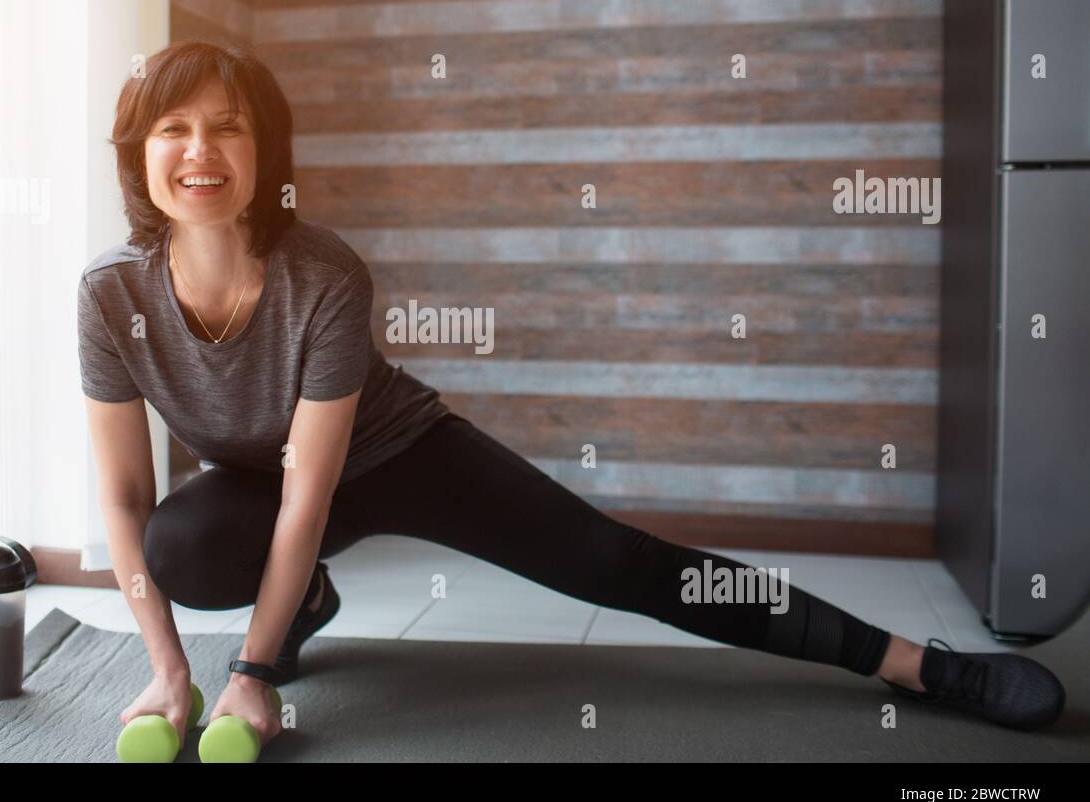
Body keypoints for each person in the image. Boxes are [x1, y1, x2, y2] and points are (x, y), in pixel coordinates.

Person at [79, 40, 1066, 754]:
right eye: (172, 128)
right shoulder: (109, 294)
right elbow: (124, 501)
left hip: (393, 454)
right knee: (179, 542)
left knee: (615, 561)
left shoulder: (323, 275)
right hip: (262, 483)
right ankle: (304, 605)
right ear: (140, 152)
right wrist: (170, 668)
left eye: (226, 125)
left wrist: (246, 675)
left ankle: (918, 665)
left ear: (263, 150)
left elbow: (312, 492)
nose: (199, 150)